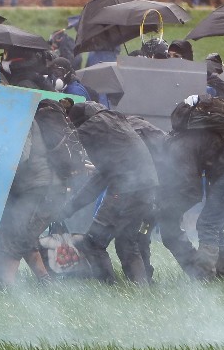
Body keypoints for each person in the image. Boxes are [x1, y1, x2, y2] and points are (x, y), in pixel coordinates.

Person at [0, 100, 85, 286]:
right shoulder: (50, 126)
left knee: (16, 237)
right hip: (54, 191)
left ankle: (7, 286)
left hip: (39, 190)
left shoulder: (27, 122)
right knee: (25, 234)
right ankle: (45, 281)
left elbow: (22, 157)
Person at [58, 101, 158, 285]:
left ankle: (108, 286)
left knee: (94, 242)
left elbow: (101, 177)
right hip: (148, 185)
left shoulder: (92, 129)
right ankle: (141, 287)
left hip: (125, 190)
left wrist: (69, 208)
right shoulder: (114, 122)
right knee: (127, 241)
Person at [166, 95, 224, 280]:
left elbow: (192, 189)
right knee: (214, 223)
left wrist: (173, 208)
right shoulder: (192, 134)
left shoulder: (181, 145)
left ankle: (204, 276)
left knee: (207, 223)